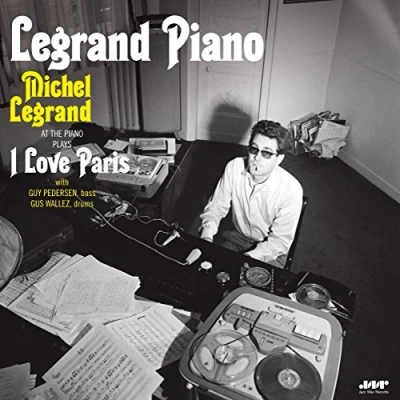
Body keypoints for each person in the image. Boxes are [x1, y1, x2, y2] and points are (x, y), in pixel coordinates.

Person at [199, 120, 303, 268]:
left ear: (279, 159)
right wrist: (207, 237)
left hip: (270, 249)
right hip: (237, 237)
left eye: (266, 153)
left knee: (246, 280)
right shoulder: (234, 167)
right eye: (254, 149)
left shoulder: (291, 190)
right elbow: (216, 206)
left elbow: (279, 242)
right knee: (210, 269)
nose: (257, 158)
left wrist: (248, 259)